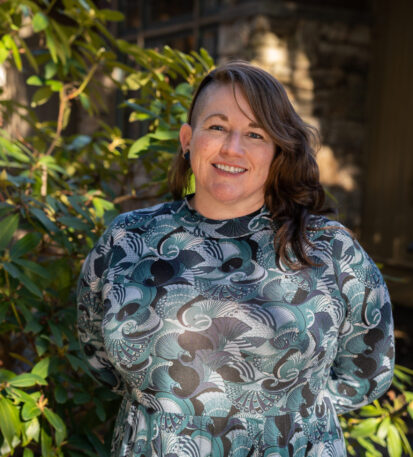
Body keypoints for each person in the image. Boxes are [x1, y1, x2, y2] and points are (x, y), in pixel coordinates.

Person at [77, 61, 395, 457]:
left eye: (255, 133)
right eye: (217, 126)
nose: (233, 147)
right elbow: (98, 353)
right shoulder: (127, 239)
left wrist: (284, 418)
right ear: (187, 139)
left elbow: (367, 369)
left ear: (278, 149)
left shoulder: (328, 249)